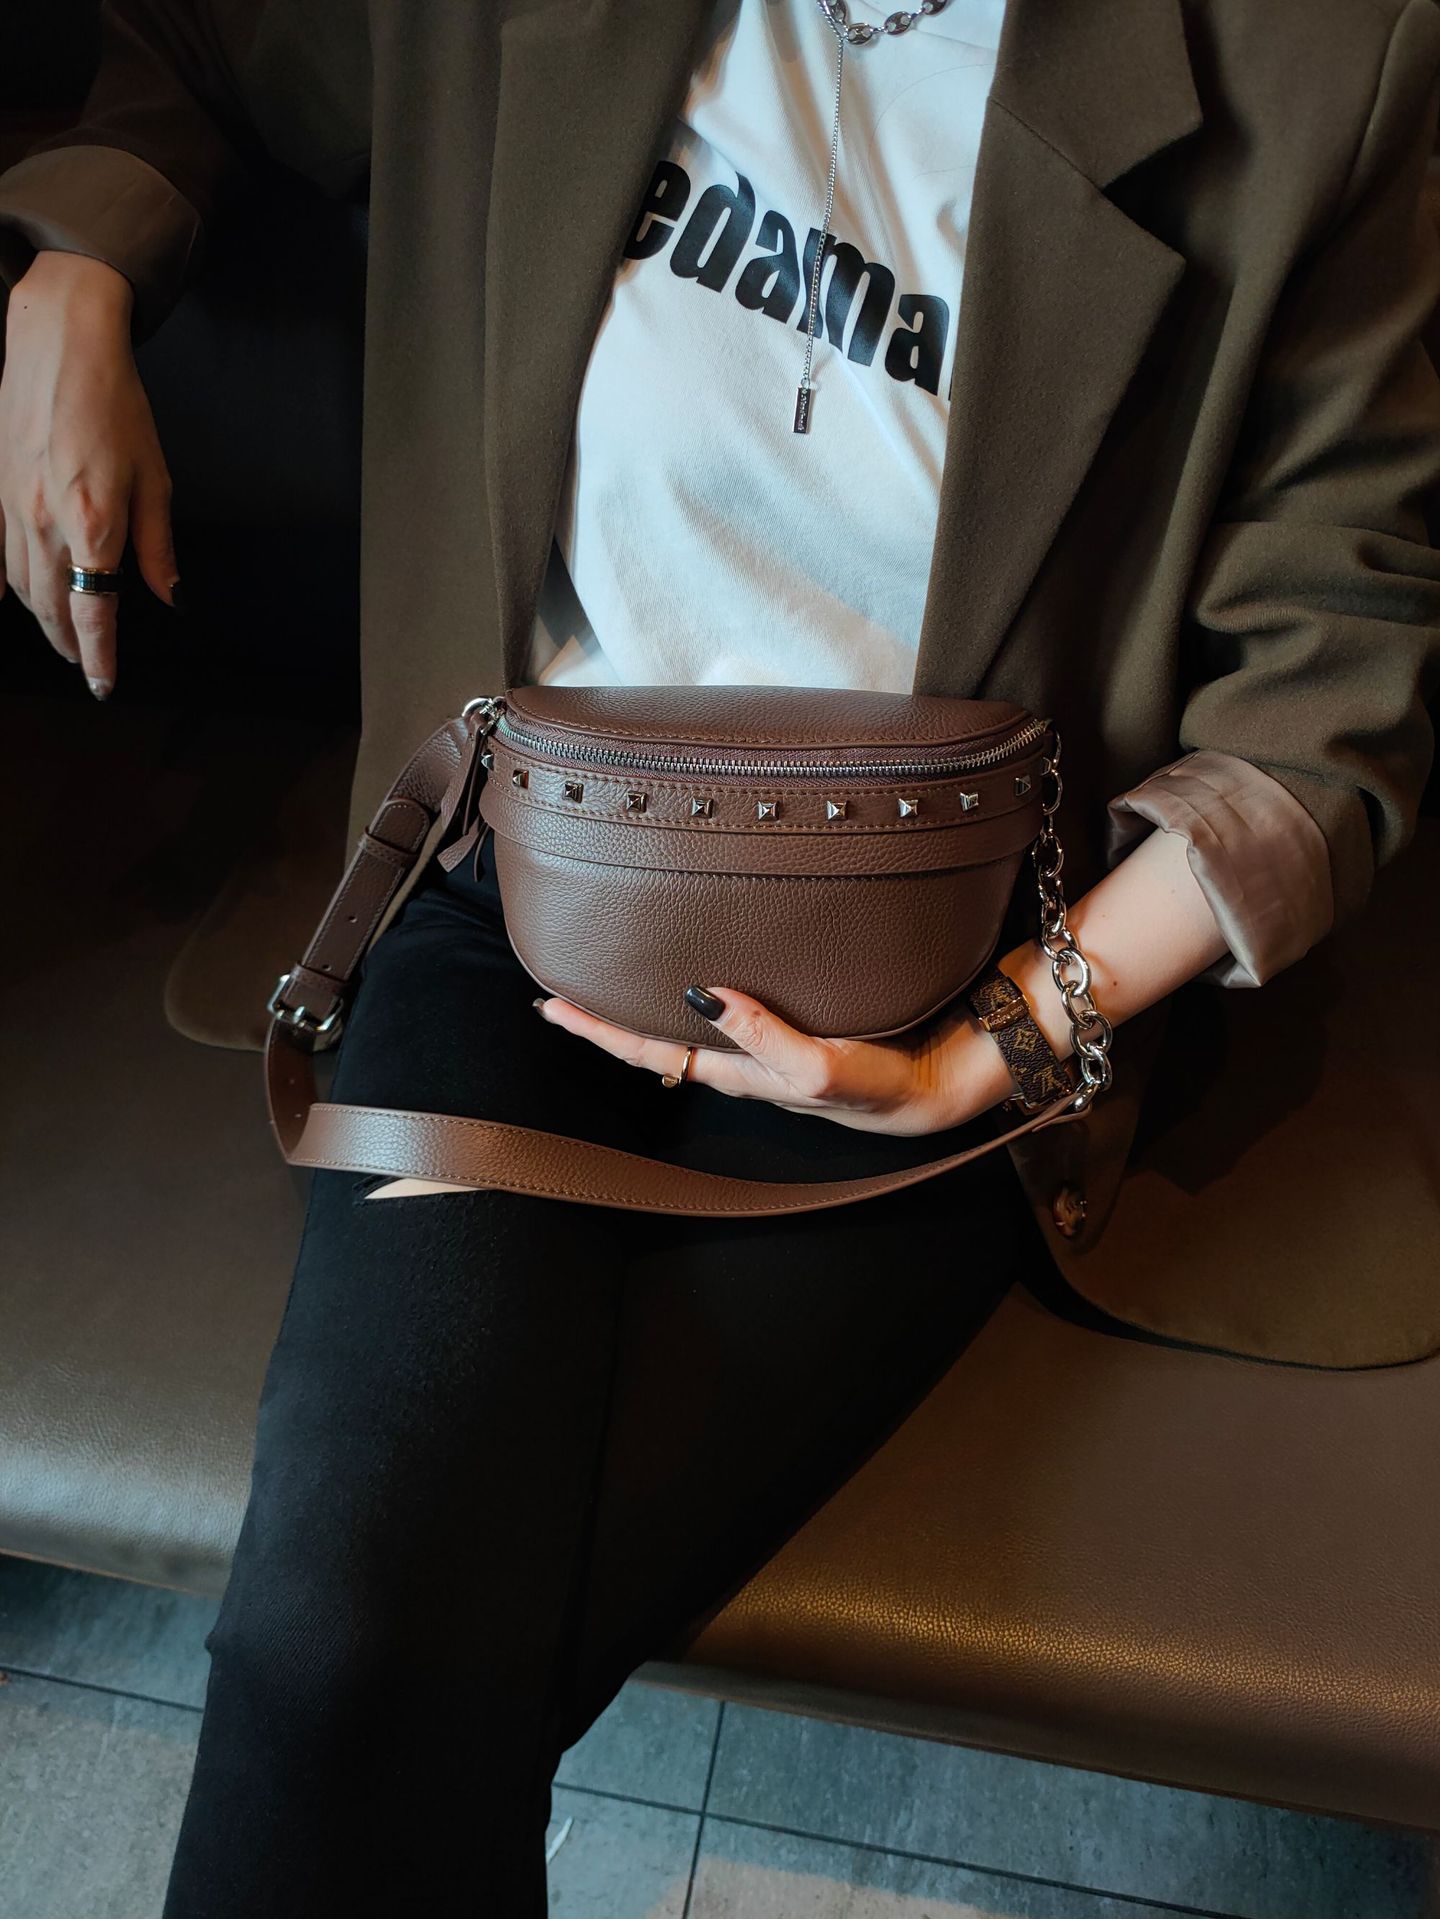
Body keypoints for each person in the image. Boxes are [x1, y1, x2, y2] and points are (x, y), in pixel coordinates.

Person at [2, 0, 1438, 1910]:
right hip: (509, 893)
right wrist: (78, 273)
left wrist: (993, 1050)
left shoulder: (1322, 61)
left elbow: (1337, 687)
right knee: (350, 1655)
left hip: (941, 975)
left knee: (379, 1669)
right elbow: (202, 42)